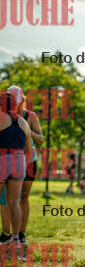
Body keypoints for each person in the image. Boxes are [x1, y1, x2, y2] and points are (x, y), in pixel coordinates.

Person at [0, 89, 31, 247]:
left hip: (2, 158)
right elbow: (28, 148)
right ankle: (16, 238)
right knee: (14, 202)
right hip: (19, 161)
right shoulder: (24, 122)